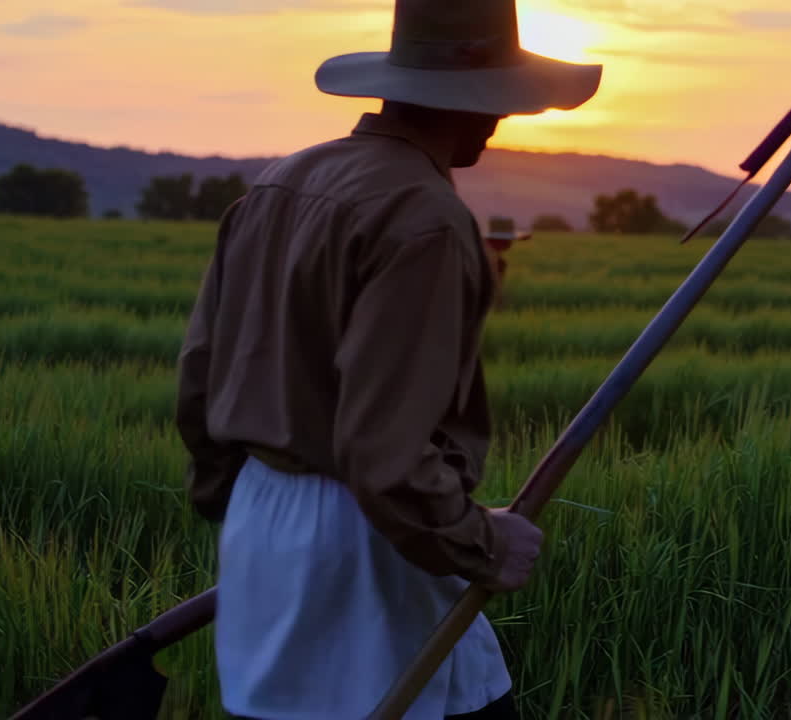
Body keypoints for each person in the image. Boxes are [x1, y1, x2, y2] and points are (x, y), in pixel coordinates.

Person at [173, 1, 602, 718]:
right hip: (366, 539)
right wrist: (483, 542)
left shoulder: (282, 181)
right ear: (480, 104)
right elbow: (384, 450)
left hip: (268, 515)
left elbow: (202, 373)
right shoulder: (425, 217)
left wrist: (244, 513)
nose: (499, 125)